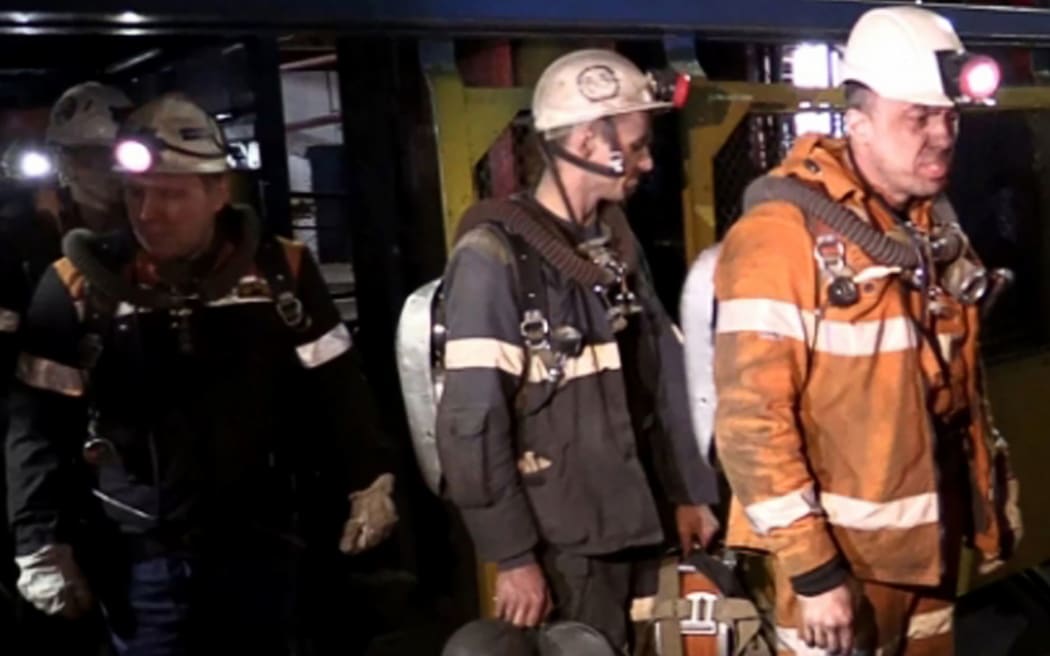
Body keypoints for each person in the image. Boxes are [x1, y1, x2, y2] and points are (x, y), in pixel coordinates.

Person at [5, 92, 398, 655]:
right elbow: (35, 426)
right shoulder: (78, 283)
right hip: (140, 556)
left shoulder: (280, 271)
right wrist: (39, 539)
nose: (147, 213)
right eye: (137, 193)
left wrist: (371, 477)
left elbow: (337, 385)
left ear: (218, 192)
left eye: (170, 194)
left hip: (262, 540)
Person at [710, 7, 1022, 655]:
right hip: (840, 568)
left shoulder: (931, 226)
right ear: (859, 127)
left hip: (926, 549)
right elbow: (749, 423)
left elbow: (958, 387)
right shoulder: (779, 237)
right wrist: (813, 569)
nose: (941, 136)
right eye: (917, 118)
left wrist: (991, 496)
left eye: (949, 118)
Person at [435, 49, 720, 652]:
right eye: (636, 144)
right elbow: (471, 424)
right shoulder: (492, 258)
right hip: (567, 545)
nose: (646, 161)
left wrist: (687, 490)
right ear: (589, 140)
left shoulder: (615, 243)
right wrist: (511, 555)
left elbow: (659, 377)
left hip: (644, 522)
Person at [0, 80, 133, 654]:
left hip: (124, 464)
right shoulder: (20, 240)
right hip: (39, 442)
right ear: (62, 161)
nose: (102, 171)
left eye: (112, 155)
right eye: (87, 156)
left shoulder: (159, 235)